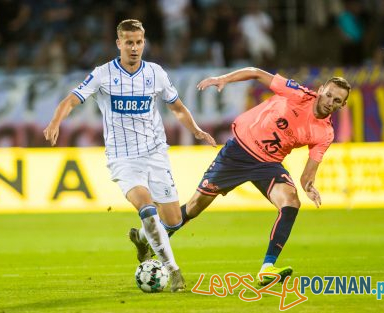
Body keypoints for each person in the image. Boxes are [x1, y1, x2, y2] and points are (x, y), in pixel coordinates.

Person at [130, 67, 351, 286]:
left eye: (337, 100)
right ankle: (144, 236)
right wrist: (224, 79)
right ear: (321, 89)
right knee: (194, 207)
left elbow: (307, 176)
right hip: (238, 152)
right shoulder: (297, 93)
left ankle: (267, 268)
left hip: (268, 164)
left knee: (291, 202)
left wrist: (309, 186)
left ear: (343, 105)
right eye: (329, 94)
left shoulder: (325, 133)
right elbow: (256, 72)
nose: (330, 101)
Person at [43, 19, 216, 293]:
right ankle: (174, 272)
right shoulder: (103, 74)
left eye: (139, 42)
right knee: (147, 210)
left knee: (173, 220)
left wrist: (196, 130)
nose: (134, 48)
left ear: (144, 42)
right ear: (119, 43)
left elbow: (178, 108)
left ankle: (146, 242)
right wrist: (55, 122)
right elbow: (71, 100)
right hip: (123, 159)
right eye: (129, 43)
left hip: (156, 153)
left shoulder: (156, 73)